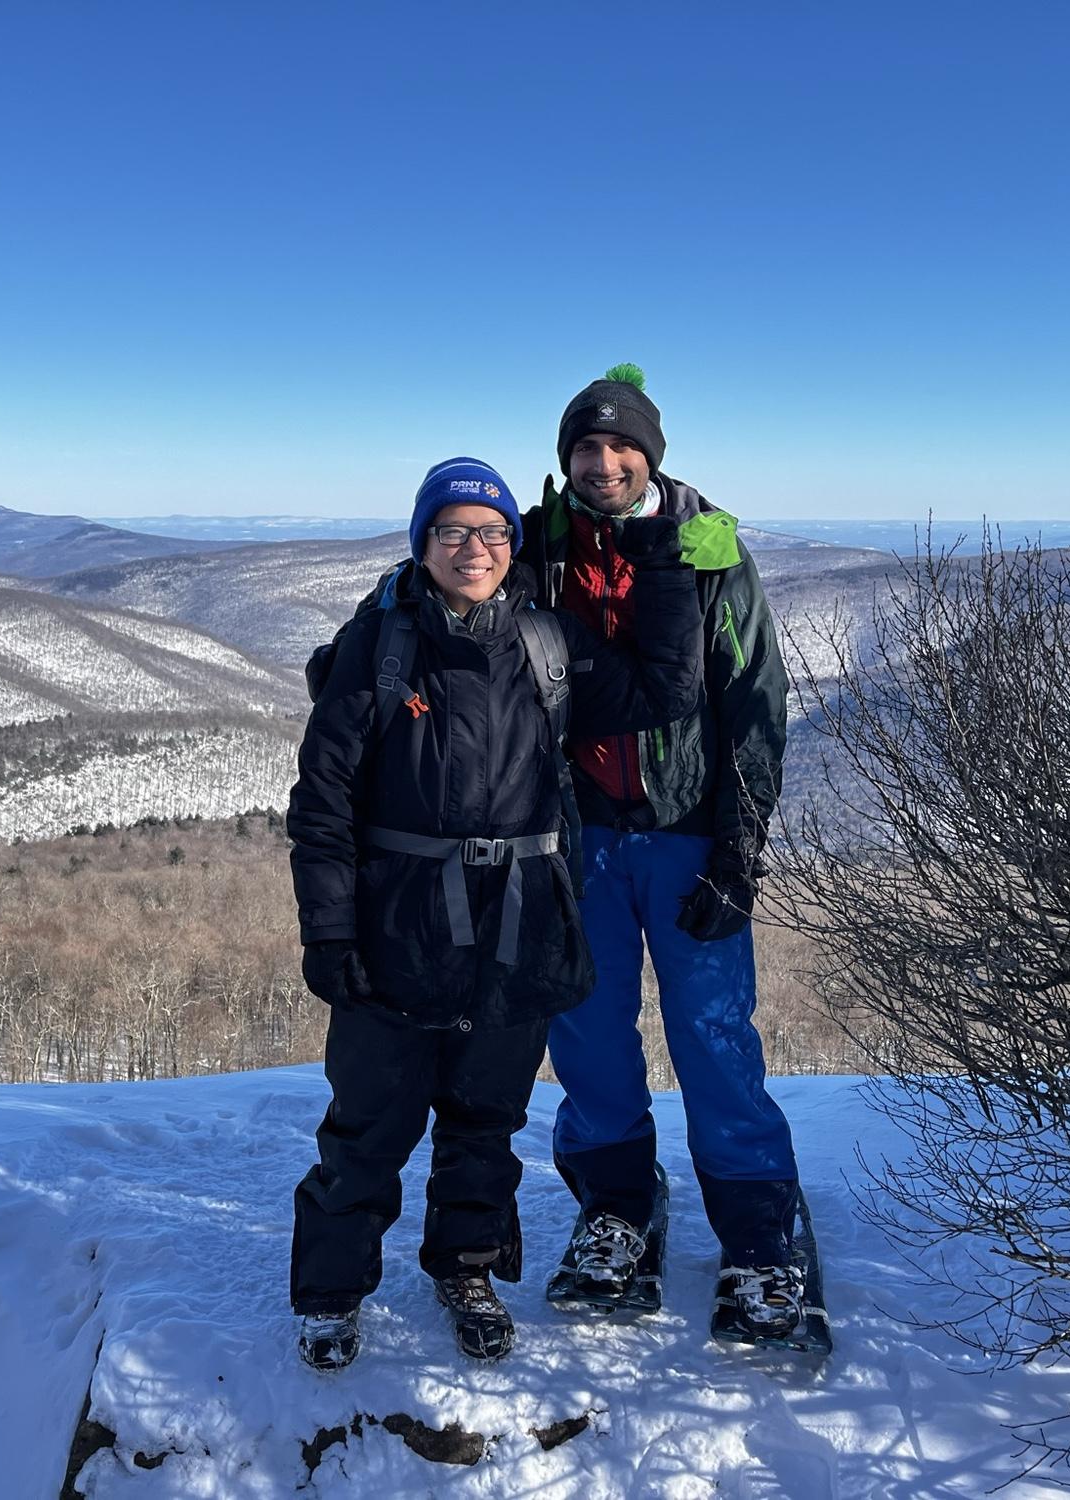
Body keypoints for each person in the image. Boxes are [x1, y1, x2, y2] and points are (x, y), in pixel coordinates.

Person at [287, 455, 700, 1371]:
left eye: (493, 533)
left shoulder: (548, 646)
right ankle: (330, 1291)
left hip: (516, 928)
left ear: (513, 546)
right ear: (423, 543)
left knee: (484, 1122)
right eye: (453, 532)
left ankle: (466, 1270)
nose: (474, 549)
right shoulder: (382, 646)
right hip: (399, 926)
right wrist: (329, 930)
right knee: (370, 1124)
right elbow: (322, 805)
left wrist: (665, 560)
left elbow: (665, 691)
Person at [522, 365, 801, 1337]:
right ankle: (617, 1210)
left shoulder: (707, 548)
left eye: (620, 447)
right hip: (579, 838)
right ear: (567, 460)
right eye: (586, 449)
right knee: (589, 1035)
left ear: (651, 456)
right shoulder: (536, 545)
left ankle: (762, 1239)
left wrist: (740, 852)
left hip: (687, 836)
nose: (603, 463)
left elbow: (756, 706)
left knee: (714, 1036)